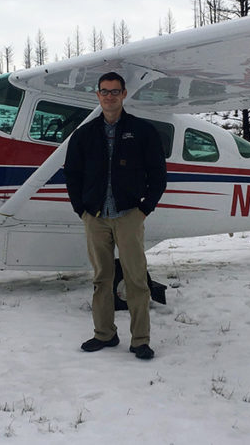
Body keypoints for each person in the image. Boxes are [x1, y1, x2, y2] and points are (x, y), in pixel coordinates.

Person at [64, 71, 167, 360]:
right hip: (95, 216)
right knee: (102, 279)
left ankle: (140, 340)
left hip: (129, 215)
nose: (109, 96)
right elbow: (72, 174)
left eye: (115, 91)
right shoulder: (84, 134)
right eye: (104, 91)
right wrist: (80, 208)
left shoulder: (142, 131)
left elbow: (158, 173)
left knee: (135, 280)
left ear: (124, 94)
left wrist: (145, 208)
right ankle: (104, 334)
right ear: (98, 95)